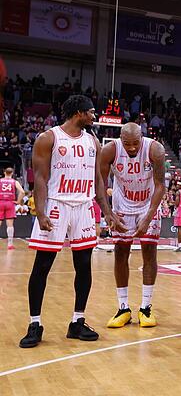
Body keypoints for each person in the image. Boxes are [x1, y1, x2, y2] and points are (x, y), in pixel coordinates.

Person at [20, 95, 125, 348]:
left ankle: (77, 321)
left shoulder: (93, 141)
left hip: (84, 206)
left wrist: (107, 212)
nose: (94, 116)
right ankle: (35, 323)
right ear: (78, 113)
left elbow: (98, 180)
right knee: (42, 265)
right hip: (56, 204)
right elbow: (41, 179)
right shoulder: (49, 138)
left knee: (84, 264)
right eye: (90, 112)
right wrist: (41, 212)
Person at [99, 123, 166, 328]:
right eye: (127, 144)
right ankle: (123, 307)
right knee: (120, 252)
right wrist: (108, 214)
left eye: (135, 143)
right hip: (122, 205)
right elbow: (101, 184)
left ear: (141, 138)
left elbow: (161, 185)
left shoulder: (155, 149)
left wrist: (148, 217)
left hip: (148, 204)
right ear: (120, 139)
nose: (131, 148)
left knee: (149, 252)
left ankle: (146, 307)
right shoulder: (110, 150)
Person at [0, 167, 24, 250]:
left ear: (4, 173)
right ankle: (10, 244)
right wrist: (18, 201)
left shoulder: (0, 181)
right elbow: (22, 192)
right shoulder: (14, 182)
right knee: (10, 225)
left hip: (1, 202)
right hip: (10, 203)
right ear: (12, 173)